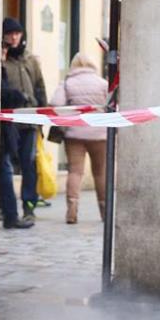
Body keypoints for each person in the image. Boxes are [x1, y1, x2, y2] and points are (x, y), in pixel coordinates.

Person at [49, 52, 108, 224]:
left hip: (74, 133)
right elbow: (114, 105)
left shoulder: (67, 83)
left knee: (75, 172)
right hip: (99, 134)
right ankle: (104, 212)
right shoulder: (102, 83)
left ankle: (72, 213)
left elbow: (55, 103)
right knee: (100, 173)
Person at [1, 17, 46, 223]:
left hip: (29, 120)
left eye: (17, 33)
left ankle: (29, 205)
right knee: (6, 165)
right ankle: (6, 205)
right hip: (9, 121)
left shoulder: (30, 59)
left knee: (29, 163)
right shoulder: (2, 59)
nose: (14, 37)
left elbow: (40, 87)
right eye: (10, 34)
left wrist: (43, 116)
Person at [0, 41, 33, 229]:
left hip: (5, 128)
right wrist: (19, 96)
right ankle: (10, 215)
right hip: (0, 129)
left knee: (6, 170)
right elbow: (1, 94)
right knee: (5, 171)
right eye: (2, 48)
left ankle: (9, 214)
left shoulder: (2, 67)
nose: (5, 52)